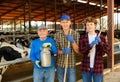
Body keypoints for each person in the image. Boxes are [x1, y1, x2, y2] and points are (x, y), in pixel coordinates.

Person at [79, 17, 110, 82]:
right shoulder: (83, 37)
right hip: (86, 67)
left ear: (95, 25)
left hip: (98, 67)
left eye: (91, 24)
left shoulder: (101, 37)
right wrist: (90, 45)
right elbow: (81, 50)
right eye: (87, 25)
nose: (89, 26)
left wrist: (100, 43)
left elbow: (107, 50)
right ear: (85, 26)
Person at [54, 14, 80, 82]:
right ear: (61, 24)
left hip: (71, 64)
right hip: (60, 64)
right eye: (63, 22)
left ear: (70, 23)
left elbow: (78, 51)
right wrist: (62, 52)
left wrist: (73, 42)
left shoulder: (75, 34)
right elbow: (54, 50)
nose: (65, 24)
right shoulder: (57, 35)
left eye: (66, 22)